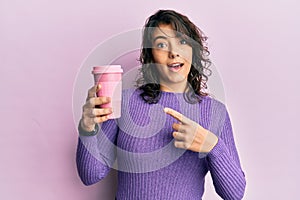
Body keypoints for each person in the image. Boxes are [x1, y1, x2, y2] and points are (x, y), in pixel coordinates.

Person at [76, 9, 246, 199]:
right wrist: (87, 129)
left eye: (182, 42)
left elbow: (235, 194)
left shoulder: (214, 112)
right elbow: (91, 175)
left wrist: (212, 146)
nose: (173, 53)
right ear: (151, 56)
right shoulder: (124, 103)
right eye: (162, 45)